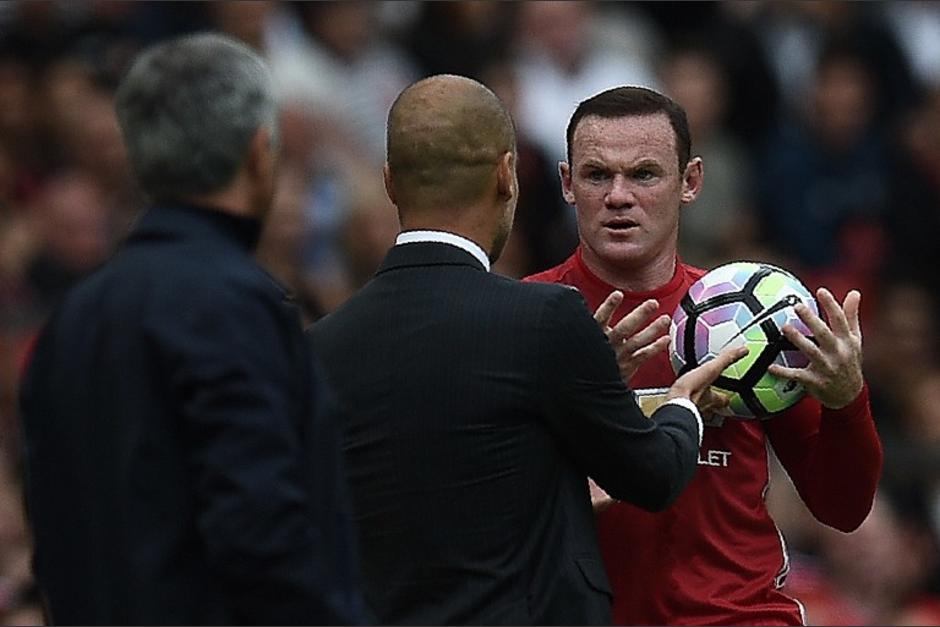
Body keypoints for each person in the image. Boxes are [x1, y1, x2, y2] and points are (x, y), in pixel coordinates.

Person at [309, 74, 746, 625]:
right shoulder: (543, 317)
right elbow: (654, 476)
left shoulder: (318, 348)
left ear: (391, 182)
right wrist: (681, 403)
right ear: (506, 175)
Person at [18, 33, 366, 625]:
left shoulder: (72, 317)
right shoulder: (236, 304)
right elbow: (261, 535)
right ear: (260, 153)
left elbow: (52, 535)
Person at [524, 86, 883, 625]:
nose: (619, 196)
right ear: (567, 184)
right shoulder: (519, 319)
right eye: (598, 175)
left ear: (690, 181)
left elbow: (843, 508)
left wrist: (846, 400)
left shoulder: (754, 318)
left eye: (644, 174)